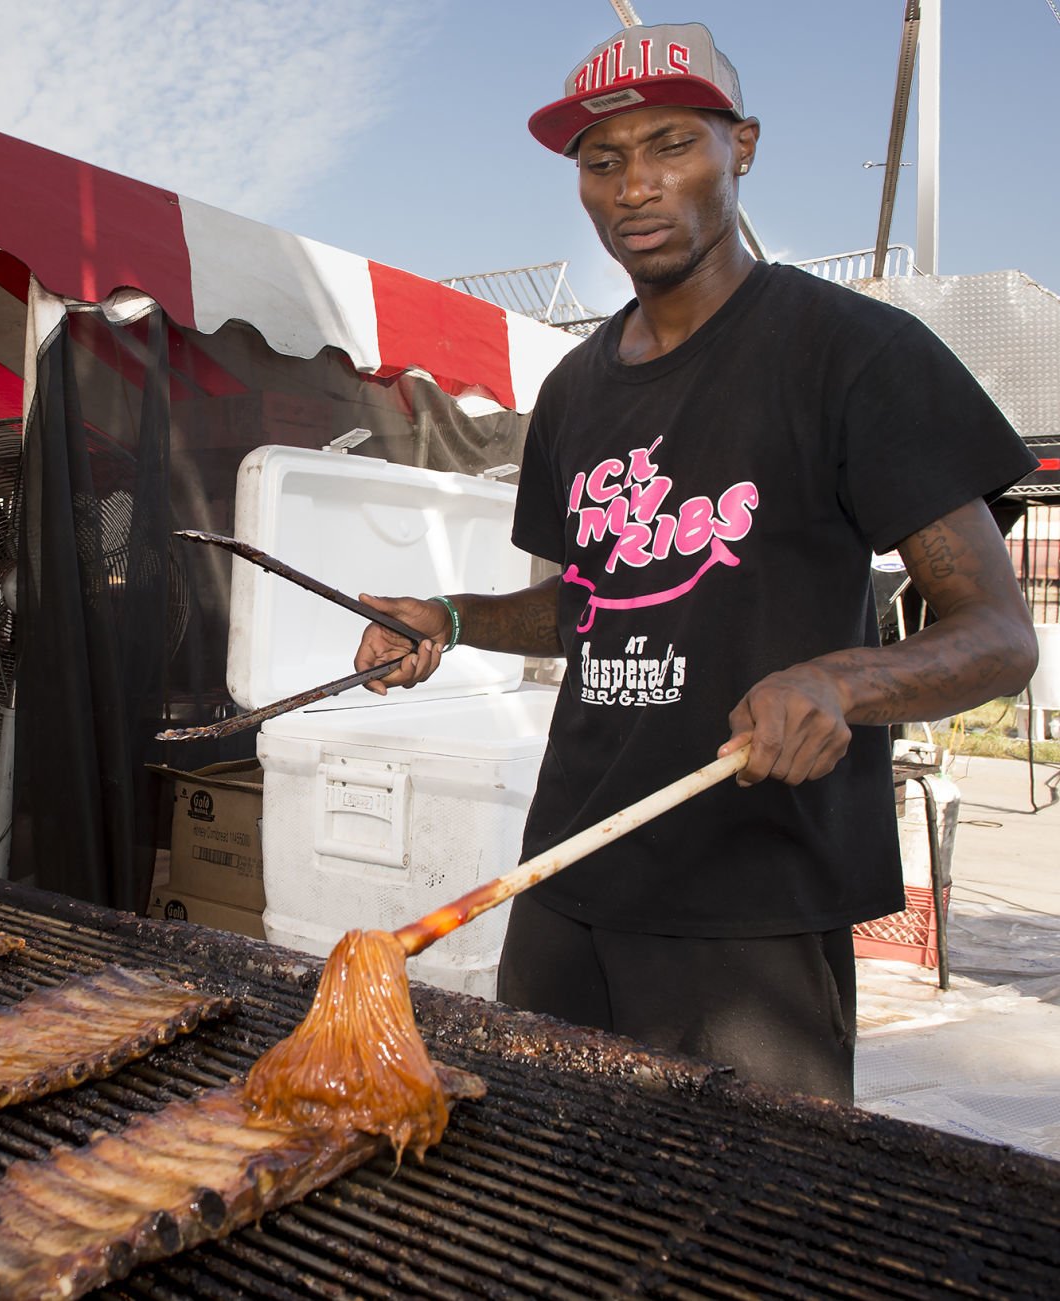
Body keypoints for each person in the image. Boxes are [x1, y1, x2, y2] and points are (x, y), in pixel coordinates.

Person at [353, 22, 1039, 1103]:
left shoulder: (853, 352)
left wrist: (838, 681)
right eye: (602, 161)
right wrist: (444, 613)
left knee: (742, 1236)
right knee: (549, 1195)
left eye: (670, 144)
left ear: (742, 148)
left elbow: (999, 637)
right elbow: (583, 602)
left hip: (751, 895)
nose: (633, 186)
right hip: (567, 863)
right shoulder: (575, 385)